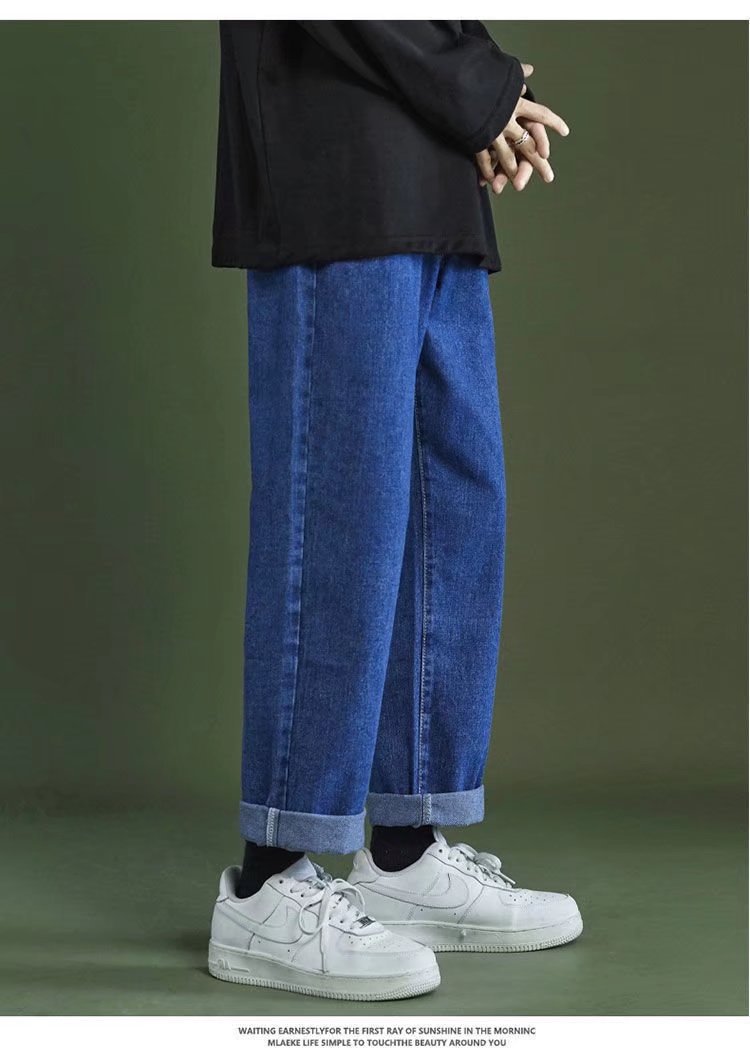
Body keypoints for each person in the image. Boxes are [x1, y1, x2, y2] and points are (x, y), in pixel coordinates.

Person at [208, 20, 579, 1001]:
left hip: (433, 167)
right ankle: (269, 880)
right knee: (340, 516)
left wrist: (474, 95)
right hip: (334, 161)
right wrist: (476, 84)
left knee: (452, 509)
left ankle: (406, 853)